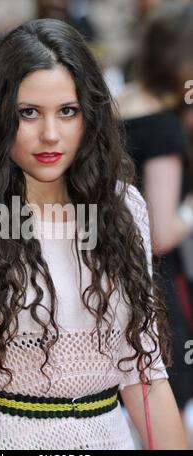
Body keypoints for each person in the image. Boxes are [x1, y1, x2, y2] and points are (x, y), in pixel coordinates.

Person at [0, 18, 187, 450]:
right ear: (0, 116)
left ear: (89, 115)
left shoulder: (125, 209)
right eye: (29, 112)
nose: (50, 135)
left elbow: (146, 377)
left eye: (67, 111)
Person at [116, 2, 193, 413]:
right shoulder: (163, 127)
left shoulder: (117, 105)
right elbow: (161, 233)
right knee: (161, 406)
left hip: (107, 279)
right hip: (152, 293)